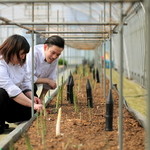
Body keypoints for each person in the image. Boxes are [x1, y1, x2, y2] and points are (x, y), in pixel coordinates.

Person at [0, 34, 43, 134]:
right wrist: (32, 104)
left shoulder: (20, 62)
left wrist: (32, 97)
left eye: (25, 54)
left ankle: (5, 117)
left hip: (11, 99)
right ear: (12, 50)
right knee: (1, 93)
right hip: (4, 98)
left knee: (31, 111)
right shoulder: (1, 62)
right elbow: (11, 89)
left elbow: (25, 83)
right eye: (21, 53)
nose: (23, 57)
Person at [26, 35, 65, 100]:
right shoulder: (33, 53)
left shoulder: (54, 58)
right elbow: (29, 77)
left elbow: (51, 78)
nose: (55, 57)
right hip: (20, 87)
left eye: (58, 54)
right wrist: (48, 81)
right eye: (53, 52)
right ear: (45, 47)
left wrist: (41, 100)